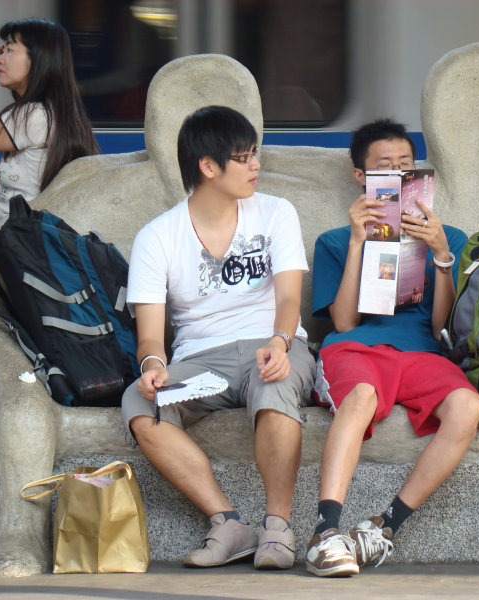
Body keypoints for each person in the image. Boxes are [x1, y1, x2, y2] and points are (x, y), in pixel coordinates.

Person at [122, 106, 315, 570]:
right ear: (208, 166)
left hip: (271, 342)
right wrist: (152, 369)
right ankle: (228, 522)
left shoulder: (276, 212)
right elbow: (150, 337)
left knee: (274, 384)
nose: (256, 166)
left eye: (256, 154)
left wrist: (281, 342)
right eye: (244, 157)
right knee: (139, 404)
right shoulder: (157, 237)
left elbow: (290, 299)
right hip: (200, 357)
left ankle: (277, 527)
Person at [306, 118, 479, 576]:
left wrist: (442, 257)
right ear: (362, 178)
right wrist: (358, 244)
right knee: (361, 396)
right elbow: (343, 323)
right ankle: (325, 531)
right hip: (359, 349)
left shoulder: (452, 237)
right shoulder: (334, 241)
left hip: (423, 353)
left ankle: (383, 527)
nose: (399, 174)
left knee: (467, 405)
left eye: (406, 165)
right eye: (386, 166)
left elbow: (442, 327)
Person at [0, 18, 99, 231]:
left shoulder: (33, 117)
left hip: (15, 247)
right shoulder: (52, 112)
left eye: (9, 50)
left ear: (38, 60)